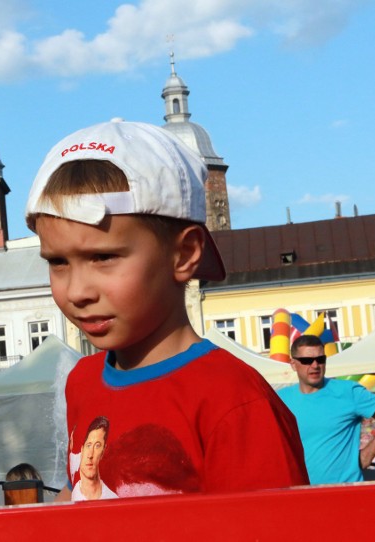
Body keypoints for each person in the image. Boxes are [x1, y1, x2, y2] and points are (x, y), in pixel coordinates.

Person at [24, 120, 308, 501]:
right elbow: (81, 494)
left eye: (104, 257)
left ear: (184, 254)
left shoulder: (234, 401)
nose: (77, 291)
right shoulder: (83, 380)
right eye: (58, 262)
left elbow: (277, 529)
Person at [278, 334, 375, 484]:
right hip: (300, 493)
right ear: (293, 364)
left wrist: (369, 453)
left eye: (320, 359)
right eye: (307, 361)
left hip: (344, 491)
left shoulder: (347, 392)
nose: (315, 365)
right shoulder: (281, 399)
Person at [71, 416, 117, 501]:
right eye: (88, 445)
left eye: (97, 446)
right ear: (82, 449)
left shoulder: (113, 499)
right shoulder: (73, 490)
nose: (90, 455)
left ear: (103, 451)